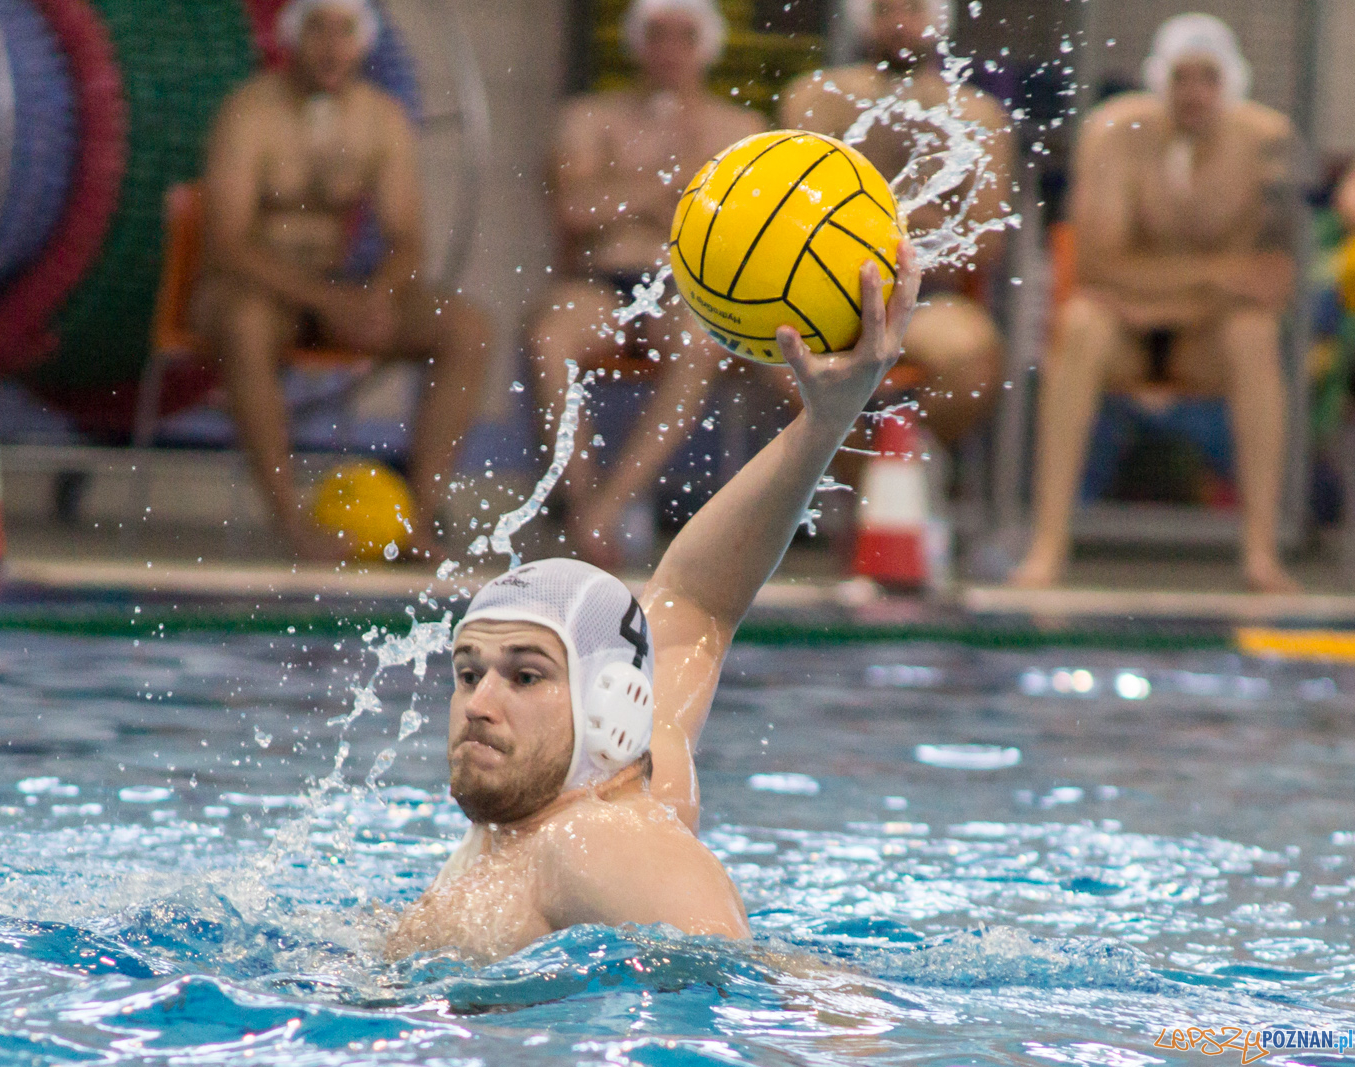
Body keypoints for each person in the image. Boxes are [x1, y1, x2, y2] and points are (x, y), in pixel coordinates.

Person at [387, 243, 921, 962]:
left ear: (607, 706)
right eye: (468, 670)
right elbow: (696, 601)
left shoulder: (598, 840)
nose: (479, 702)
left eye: (525, 675)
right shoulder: (611, 764)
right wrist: (825, 421)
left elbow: (767, 978)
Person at [1009, 14, 1299, 593]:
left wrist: (1157, 291)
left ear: (1231, 83)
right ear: (1159, 80)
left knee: (1254, 334)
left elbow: (1272, 282)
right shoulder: (1113, 134)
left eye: (1208, 79)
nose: (1194, 93)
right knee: (1083, 322)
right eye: (1182, 78)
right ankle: (1048, 545)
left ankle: (1261, 551)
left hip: (1203, 343)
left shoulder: (1268, 141)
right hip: (1126, 334)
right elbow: (1094, 267)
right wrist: (1217, 280)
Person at [197, 0, 490, 558]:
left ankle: (417, 520)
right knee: (245, 324)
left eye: (345, 31)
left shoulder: (380, 118)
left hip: (337, 290)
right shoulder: (249, 111)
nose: (331, 45)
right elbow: (227, 244)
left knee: (467, 329)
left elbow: (407, 239)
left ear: (364, 42)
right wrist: (331, 300)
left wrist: (377, 298)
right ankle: (291, 521)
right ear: (291, 37)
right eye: (317, 29)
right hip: (252, 288)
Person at [529, 0, 767, 569]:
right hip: (601, 282)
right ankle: (582, 500)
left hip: (683, 288)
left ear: (705, 47)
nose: (669, 51)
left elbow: (738, 234)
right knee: (548, 338)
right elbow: (573, 208)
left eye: (683, 38)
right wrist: (668, 192)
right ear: (638, 44)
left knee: (699, 341)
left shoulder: (742, 129)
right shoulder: (587, 118)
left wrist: (623, 193)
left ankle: (607, 509)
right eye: (657, 36)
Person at [779, 0, 1012, 449]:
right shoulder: (817, 98)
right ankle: (863, 486)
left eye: (913, 10)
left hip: (927, 299)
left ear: (939, 19)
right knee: (777, 353)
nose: (900, 24)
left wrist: (864, 218)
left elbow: (987, 242)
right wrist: (915, 217)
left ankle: (908, 468)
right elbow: (792, 214)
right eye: (886, 10)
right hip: (823, 292)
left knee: (973, 362)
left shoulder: (977, 114)